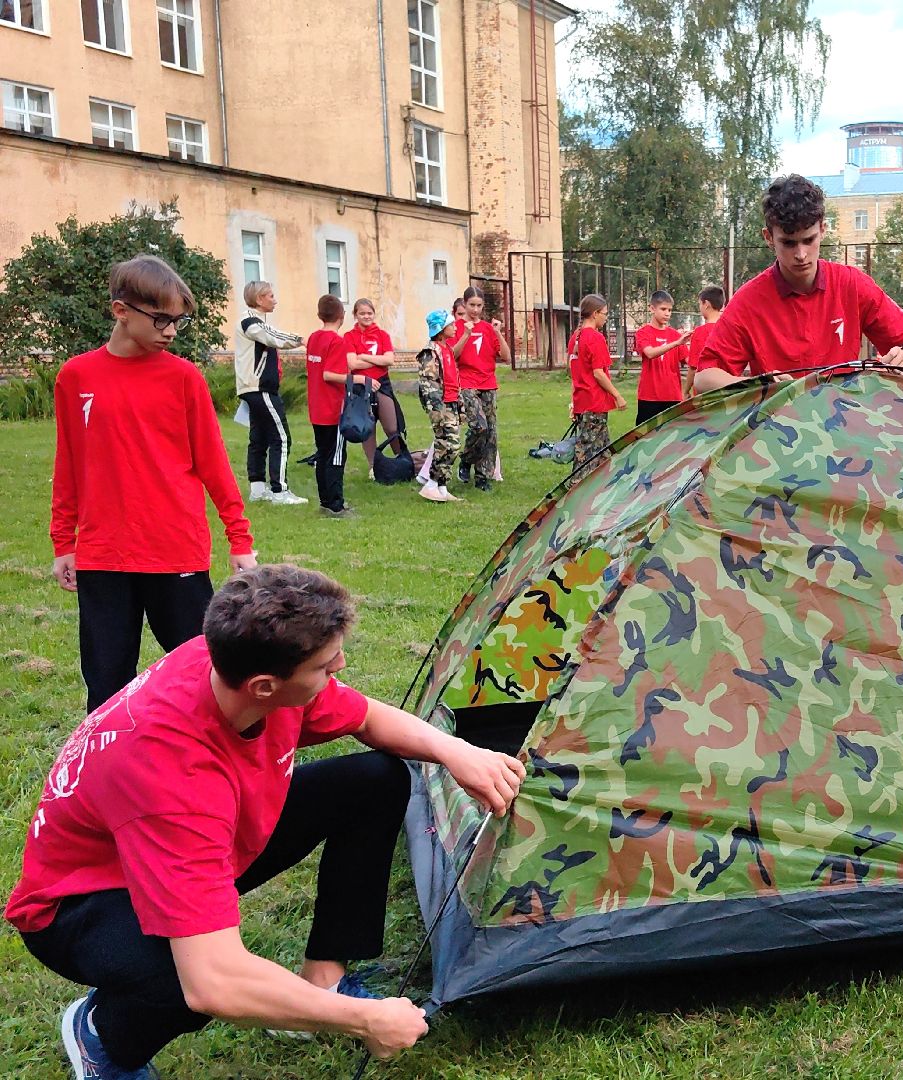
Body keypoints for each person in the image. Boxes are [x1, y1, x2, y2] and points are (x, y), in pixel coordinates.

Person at [7, 564, 525, 1078]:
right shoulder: (173, 777)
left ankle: (325, 978)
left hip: (207, 834)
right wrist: (364, 1020)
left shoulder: (231, 661)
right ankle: (103, 1037)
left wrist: (457, 752)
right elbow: (216, 982)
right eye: (326, 666)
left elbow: (367, 719)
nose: (340, 666)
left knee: (374, 779)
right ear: (263, 687)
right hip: (81, 901)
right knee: (180, 983)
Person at [52, 255, 258, 713]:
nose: (170, 331)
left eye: (177, 321)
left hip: (174, 550)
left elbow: (214, 464)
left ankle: (221, 761)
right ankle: (104, 773)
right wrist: (63, 542)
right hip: (104, 555)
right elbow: (69, 464)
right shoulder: (76, 377)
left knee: (207, 673)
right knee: (106, 681)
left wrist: (238, 537)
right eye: (161, 319)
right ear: (121, 310)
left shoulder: (184, 377)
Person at [694, 174, 903, 391]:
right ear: (769, 238)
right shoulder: (749, 301)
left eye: (809, 240)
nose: (801, 254)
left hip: (845, 425)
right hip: (778, 430)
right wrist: (761, 386)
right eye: (788, 243)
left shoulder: (852, 284)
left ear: (823, 229)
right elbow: (704, 378)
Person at [236, 282, 307, 506]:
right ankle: (280, 491)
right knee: (282, 437)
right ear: (259, 299)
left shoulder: (255, 322)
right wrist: (302, 340)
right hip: (259, 388)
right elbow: (273, 337)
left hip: (254, 389)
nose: (275, 300)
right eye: (270, 296)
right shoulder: (251, 322)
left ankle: (257, 489)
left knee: (259, 438)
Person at [451, 286, 509, 492]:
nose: (475, 310)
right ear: (464, 305)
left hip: (488, 384)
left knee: (491, 432)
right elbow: (452, 355)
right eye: (471, 305)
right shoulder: (456, 327)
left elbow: (506, 356)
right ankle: (466, 460)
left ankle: (483, 475)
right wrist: (466, 335)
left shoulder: (487, 328)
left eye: (479, 306)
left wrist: (497, 333)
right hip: (467, 383)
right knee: (479, 427)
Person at [304, 295, 354, 518]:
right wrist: (355, 380)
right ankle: (336, 505)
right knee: (336, 456)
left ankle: (326, 501)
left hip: (316, 407)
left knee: (323, 455)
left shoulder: (314, 337)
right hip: (333, 408)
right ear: (342, 317)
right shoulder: (337, 342)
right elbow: (329, 374)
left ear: (319, 315)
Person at [342, 299, 400, 479]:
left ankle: (401, 458)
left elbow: (389, 360)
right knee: (367, 426)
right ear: (355, 315)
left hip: (382, 383)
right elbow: (352, 363)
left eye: (369, 313)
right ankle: (373, 467)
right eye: (362, 313)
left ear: (374, 314)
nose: (366, 316)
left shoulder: (382, 335)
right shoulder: (349, 337)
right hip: (360, 386)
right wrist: (377, 358)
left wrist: (364, 356)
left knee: (391, 426)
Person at [567, 294, 625, 467]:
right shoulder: (595, 338)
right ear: (594, 313)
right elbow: (598, 373)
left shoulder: (575, 338)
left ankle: (605, 485)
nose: (606, 318)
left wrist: (573, 403)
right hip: (594, 402)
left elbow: (575, 374)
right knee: (586, 452)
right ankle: (577, 487)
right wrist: (617, 395)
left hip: (582, 402)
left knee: (603, 450)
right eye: (605, 314)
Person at [415, 309, 463, 503]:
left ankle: (441, 487)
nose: (455, 327)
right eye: (451, 325)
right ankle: (432, 483)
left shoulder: (447, 349)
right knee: (449, 444)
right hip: (441, 406)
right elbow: (429, 383)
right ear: (441, 329)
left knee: (449, 445)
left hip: (451, 402)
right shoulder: (430, 352)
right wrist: (436, 409)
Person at [632, 290, 692, 425]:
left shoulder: (676, 335)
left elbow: (690, 362)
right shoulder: (643, 333)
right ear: (652, 308)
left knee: (671, 439)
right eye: (663, 309)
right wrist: (676, 343)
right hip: (649, 396)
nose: (667, 313)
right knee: (645, 438)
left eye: (670, 310)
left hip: (672, 396)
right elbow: (650, 353)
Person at [683, 285, 727, 396]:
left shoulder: (700, 332)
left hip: (705, 394)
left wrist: (686, 391)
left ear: (706, 304)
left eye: (700, 304)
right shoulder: (729, 330)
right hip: (727, 391)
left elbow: (693, 367)